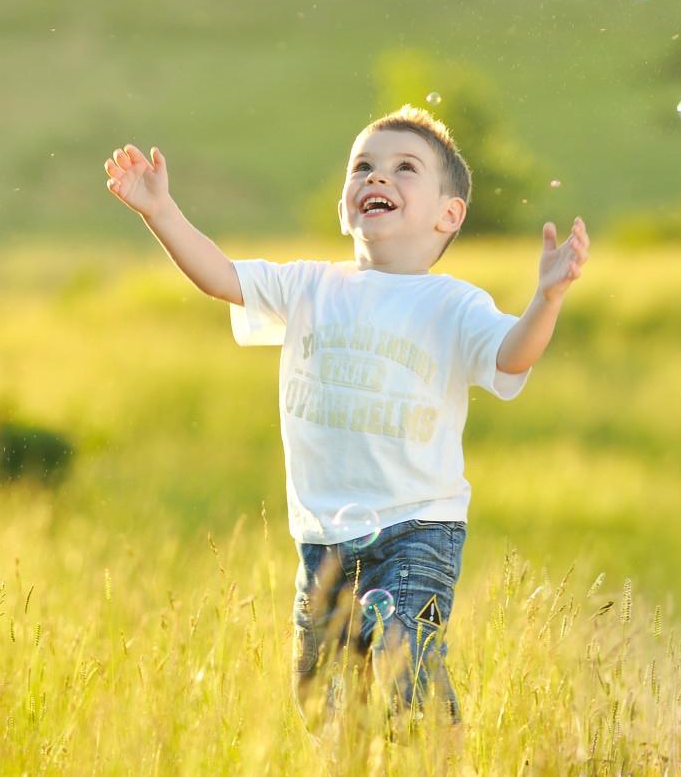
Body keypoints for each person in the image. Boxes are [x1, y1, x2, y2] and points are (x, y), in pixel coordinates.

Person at [103, 104, 589, 753]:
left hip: (418, 525)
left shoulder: (452, 303)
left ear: (448, 213)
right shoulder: (309, 286)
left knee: (406, 670)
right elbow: (220, 276)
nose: (376, 176)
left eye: (403, 167)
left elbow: (512, 354)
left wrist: (546, 299)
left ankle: (443, 763)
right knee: (325, 700)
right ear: (343, 205)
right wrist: (159, 211)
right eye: (362, 166)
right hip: (322, 535)